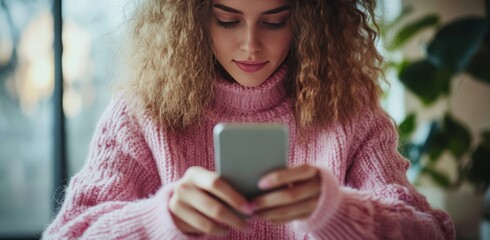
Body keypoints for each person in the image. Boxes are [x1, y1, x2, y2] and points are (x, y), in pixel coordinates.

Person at [42, 0, 455, 239]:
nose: (251, 45)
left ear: (309, 19)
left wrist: (335, 209)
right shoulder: (142, 112)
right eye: (228, 20)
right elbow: (67, 234)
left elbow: (429, 232)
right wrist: (157, 221)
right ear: (196, 16)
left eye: (275, 21)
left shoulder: (350, 108)